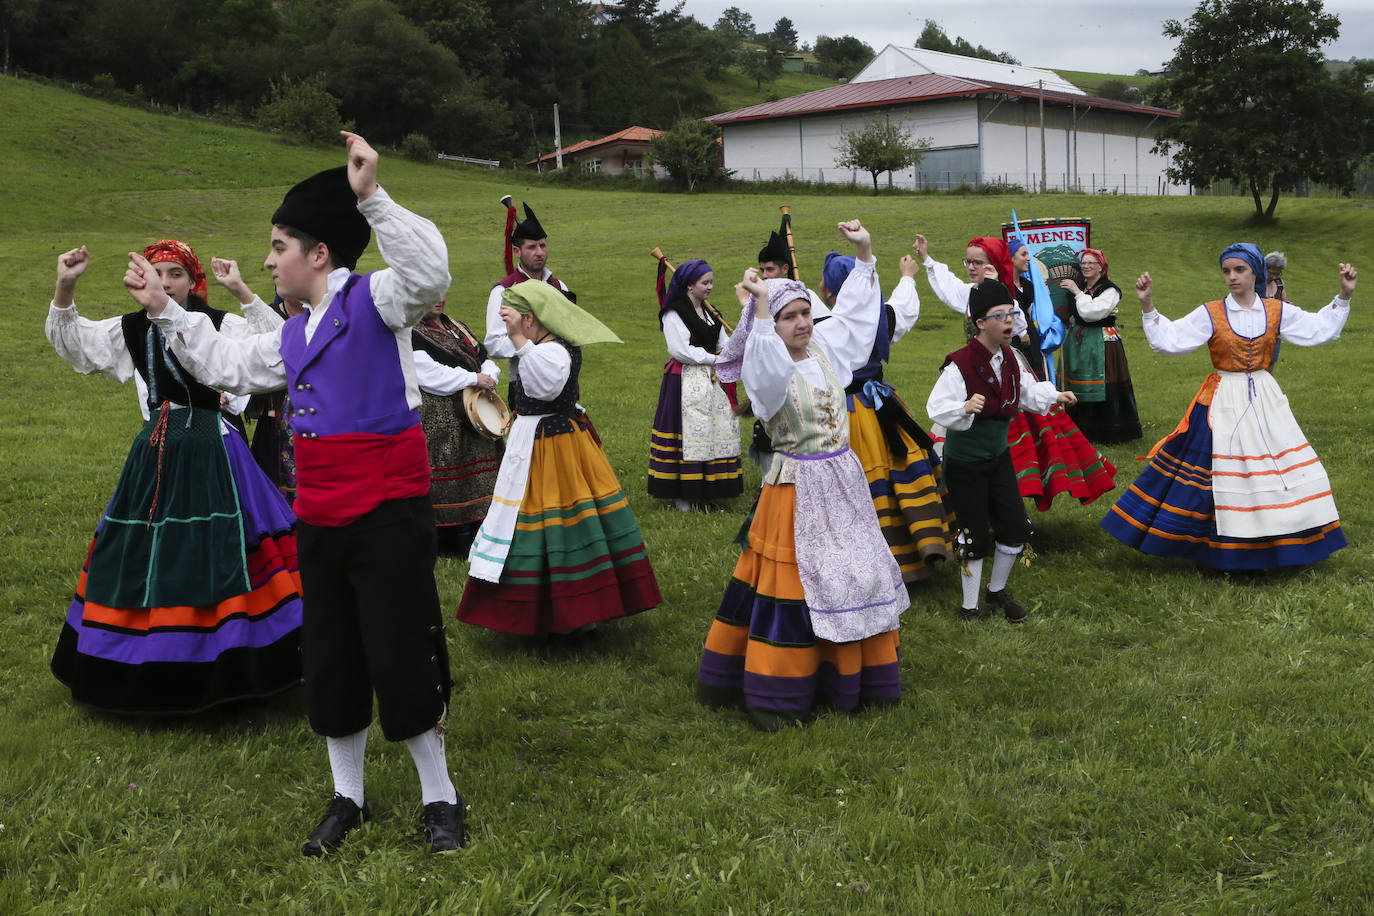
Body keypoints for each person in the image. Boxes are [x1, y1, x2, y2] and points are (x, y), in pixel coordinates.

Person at [134, 133, 467, 855]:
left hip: (388, 512)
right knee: (333, 653)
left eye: (279, 246)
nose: (267, 260)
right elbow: (225, 361)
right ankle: (348, 796)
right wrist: (165, 309)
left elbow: (428, 271)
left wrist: (371, 196)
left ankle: (441, 797)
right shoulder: (289, 336)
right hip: (319, 515)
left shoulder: (377, 300)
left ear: (318, 255)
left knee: (400, 651)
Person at [44, 241, 304, 716]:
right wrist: (65, 286)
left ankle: (235, 664)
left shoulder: (217, 323)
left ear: (192, 280)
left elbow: (280, 345)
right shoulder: (131, 328)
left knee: (222, 553)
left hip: (214, 452)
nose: (164, 282)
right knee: (142, 555)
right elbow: (77, 345)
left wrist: (242, 291)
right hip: (156, 455)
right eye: (157, 272)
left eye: (175, 274)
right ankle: (142, 665)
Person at [697, 221, 908, 731]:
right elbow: (764, 363)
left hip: (844, 483)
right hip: (797, 489)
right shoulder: (769, 373)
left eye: (805, 313)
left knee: (857, 572)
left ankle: (856, 679)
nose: (801, 323)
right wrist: (760, 307)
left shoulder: (823, 352)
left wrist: (865, 253)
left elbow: (857, 321)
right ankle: (782, 690)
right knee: (796, 584)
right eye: (789, 317)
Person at [1102, 245, 1355, 571]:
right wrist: (1147, 304)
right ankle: (1216, 546)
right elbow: (1170, 340)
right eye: (1226, 271)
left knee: (1278, 467)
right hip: (1224, 399)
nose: (1232, 277)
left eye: (1239, 270)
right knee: (1221, 472)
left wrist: (1344, 295)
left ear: (1255, 273)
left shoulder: (1276, 311)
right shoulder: (1211, 312)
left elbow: (1319, 329)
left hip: (1265, 397)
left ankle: (1282, 542)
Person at [457, 280, 662, 636]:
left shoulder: (552, 351)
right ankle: (555, 609)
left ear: (530, 319)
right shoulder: (546, 346)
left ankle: (573, 611)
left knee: (558, 518)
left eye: (517, 321)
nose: (513, 329)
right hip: (538, 439)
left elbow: (545, 388)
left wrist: (518, 340)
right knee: (530, 517)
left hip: (551, 445)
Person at [915, 234, 1116, 511]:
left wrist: (999, 291)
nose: (971, 267)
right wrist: (927, 260)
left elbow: (1020, 327)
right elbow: (948, 285)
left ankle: (1010, 504)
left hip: (1006, 373)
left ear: (994, 263)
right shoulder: (969, 293)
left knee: (1016, 444)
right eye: (968, 262)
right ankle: (974, 505)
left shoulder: (1003, 296)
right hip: (973, 373)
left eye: (978, 262)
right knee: (967, 437)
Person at [927, 279, 1078, 622]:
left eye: (1011, 313)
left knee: (1015, 527)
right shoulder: (960, 364)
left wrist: (1055, 396)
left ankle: (996, 591)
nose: (1009, 320)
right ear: (981, 323)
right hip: (966, 463)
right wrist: (964, 407)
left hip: (999, 458)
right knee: (973, 534)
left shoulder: (1010, 357)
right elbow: (936, 406)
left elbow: (1026, 391)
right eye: (1000, 315)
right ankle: (969, 607)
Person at [817, 248, 952, 585]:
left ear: (831, 292)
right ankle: (917, 545)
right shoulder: (879, 318)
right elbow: (903, 309)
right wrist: (907, 278)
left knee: (859, 480)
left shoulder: (824, 329)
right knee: (899, 472)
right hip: (882, 404)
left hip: (847, 413)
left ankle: (868, 563)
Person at [647, 259, 743, 511]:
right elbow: (680, 350)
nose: (710, 287)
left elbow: (722, 342)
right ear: (690, 285)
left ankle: (708, 489)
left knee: (713, 430)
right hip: (684, 379)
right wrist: (715, 359)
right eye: (705, 282)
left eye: (711, 282)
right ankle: (683, 494)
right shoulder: (674, 313)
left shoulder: (711, 312)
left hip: (712, 379)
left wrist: (731, 351)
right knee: (688, 434)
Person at [412, 294, 503, 554]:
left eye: (441, 292)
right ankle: (453, 542)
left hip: (476, 414)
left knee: (485, 475)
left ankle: (489, 533)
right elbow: (429, 374)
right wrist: (473, 378)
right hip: (441, 419)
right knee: (450, 480)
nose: (438, 299)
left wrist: (488, 375)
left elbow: (484, 357)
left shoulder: (457, 326)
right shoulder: (410, 333)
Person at [209, 258, 303, 496]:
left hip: (318, 420)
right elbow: (242, 359)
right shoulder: (266, 319)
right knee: (271, 485)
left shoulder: (326, 316)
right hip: (274, 421)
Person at [1056, 247, 1142, 443]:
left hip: (1102, 343)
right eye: (1083, 263)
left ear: (1101, 267)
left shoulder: (1110, 290)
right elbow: (1074, 314)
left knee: (1103, 382)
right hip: (1078, 340)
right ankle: (1076, 427)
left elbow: (1092, 313)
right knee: (1076, 380)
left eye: (1090, 263)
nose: (1086, 266)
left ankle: (1106, 431)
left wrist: (1077, 293)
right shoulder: (1081, 286)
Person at [484, 202, 575, 360]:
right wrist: (536, 339)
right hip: (525, 374)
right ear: (517, 251)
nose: (539, 252)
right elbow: (494, 344)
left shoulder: (559, 286)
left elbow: (574, 331)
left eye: (542, 246)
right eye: (532, 247)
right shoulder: (503, 291)